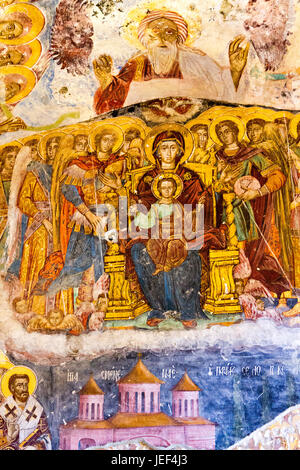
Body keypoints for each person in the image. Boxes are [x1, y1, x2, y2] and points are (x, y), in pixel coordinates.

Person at [127, 124, 227, 329]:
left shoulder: (190, 178)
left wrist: (208, 197)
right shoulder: (147, 180)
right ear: (156, 152)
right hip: (153, 233)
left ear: (180, 151)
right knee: (140, 251)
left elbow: (201, 207)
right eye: (164, 148)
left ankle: (187, 311)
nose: (169, 152)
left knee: (189, 253)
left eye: (173, 147)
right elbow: (143, 212)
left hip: (184, 231)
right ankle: (157, 307)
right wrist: (135, 209)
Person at [93, 10, 249, 114]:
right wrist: (107, 81)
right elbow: (116, 103)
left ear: (178, 38)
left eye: (169, 33)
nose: (162, 39)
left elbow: (223, 92)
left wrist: (235, 71)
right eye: (155, 34)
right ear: (146, 40)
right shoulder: (136, 63)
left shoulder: (197, 60)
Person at [42, 124, 126, 308]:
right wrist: (87, 213)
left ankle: (102, 303)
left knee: (104, 258)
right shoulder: (81, 163)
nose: (108, 143)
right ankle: (58, 294)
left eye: (112, 140)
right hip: (87, 218)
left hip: (112, 218)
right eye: (105, 139)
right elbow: (67, 188)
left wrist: (118, 188)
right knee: (77, 260)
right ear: (96, 142)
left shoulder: (119, 163)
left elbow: (127, 192)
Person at [212, 116, 290, 296]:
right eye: (220, 133)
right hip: (218, 208)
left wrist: (258, 192)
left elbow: (278, 176)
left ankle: (243, 281)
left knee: (241, 244)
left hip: (241, 208)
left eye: (228, 131)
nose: (225, 136)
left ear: (236, 132)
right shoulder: (216, 157)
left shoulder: (250, 154)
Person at [16, 132, 65, 316]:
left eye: (58, 146)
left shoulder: (64, 173)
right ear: (46, 150)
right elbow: (23, 200)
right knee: (37, 264)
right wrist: (43, 220)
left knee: (58, 264)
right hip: (38, 229)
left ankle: (56, 313)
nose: (54, 150)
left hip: (60, 226)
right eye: (51, 146)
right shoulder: (35, 172)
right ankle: (33, 310)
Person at [0, 367, 51, 450]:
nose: (24, 388)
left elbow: (45, 435)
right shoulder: (3, 411)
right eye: (19, 385)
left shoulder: (37, 408)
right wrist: (9, 437)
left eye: (26, 384)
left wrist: (36, 446)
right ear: (12, 388)